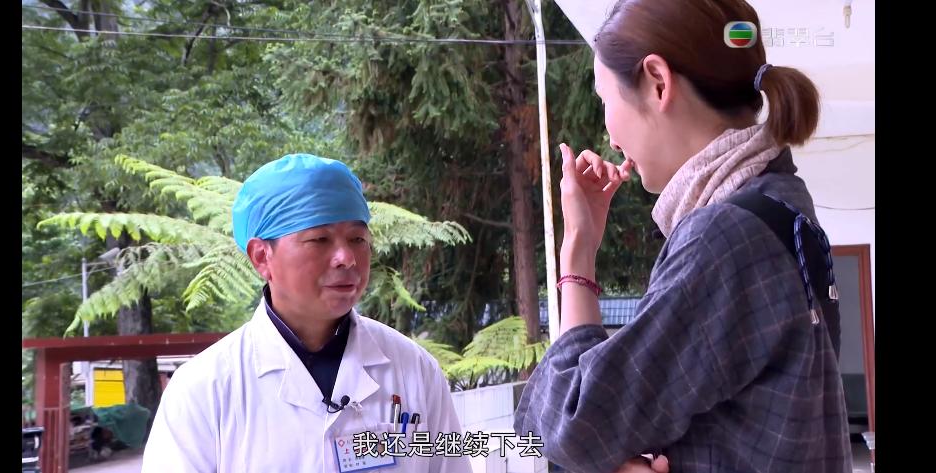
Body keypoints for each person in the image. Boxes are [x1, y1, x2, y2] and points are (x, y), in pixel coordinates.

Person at [514, 1, 852, 472]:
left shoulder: (724, 239)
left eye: (605, 99)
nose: (610, 137)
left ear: (658, 81)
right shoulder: (782, 204)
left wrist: (577, 250)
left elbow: (572, 425)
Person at [142, 153, 473, 473]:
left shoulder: (414, 368)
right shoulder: (204, 389)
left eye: (357, 238)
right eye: (319, 239)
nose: (346, 258)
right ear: (261, 257)